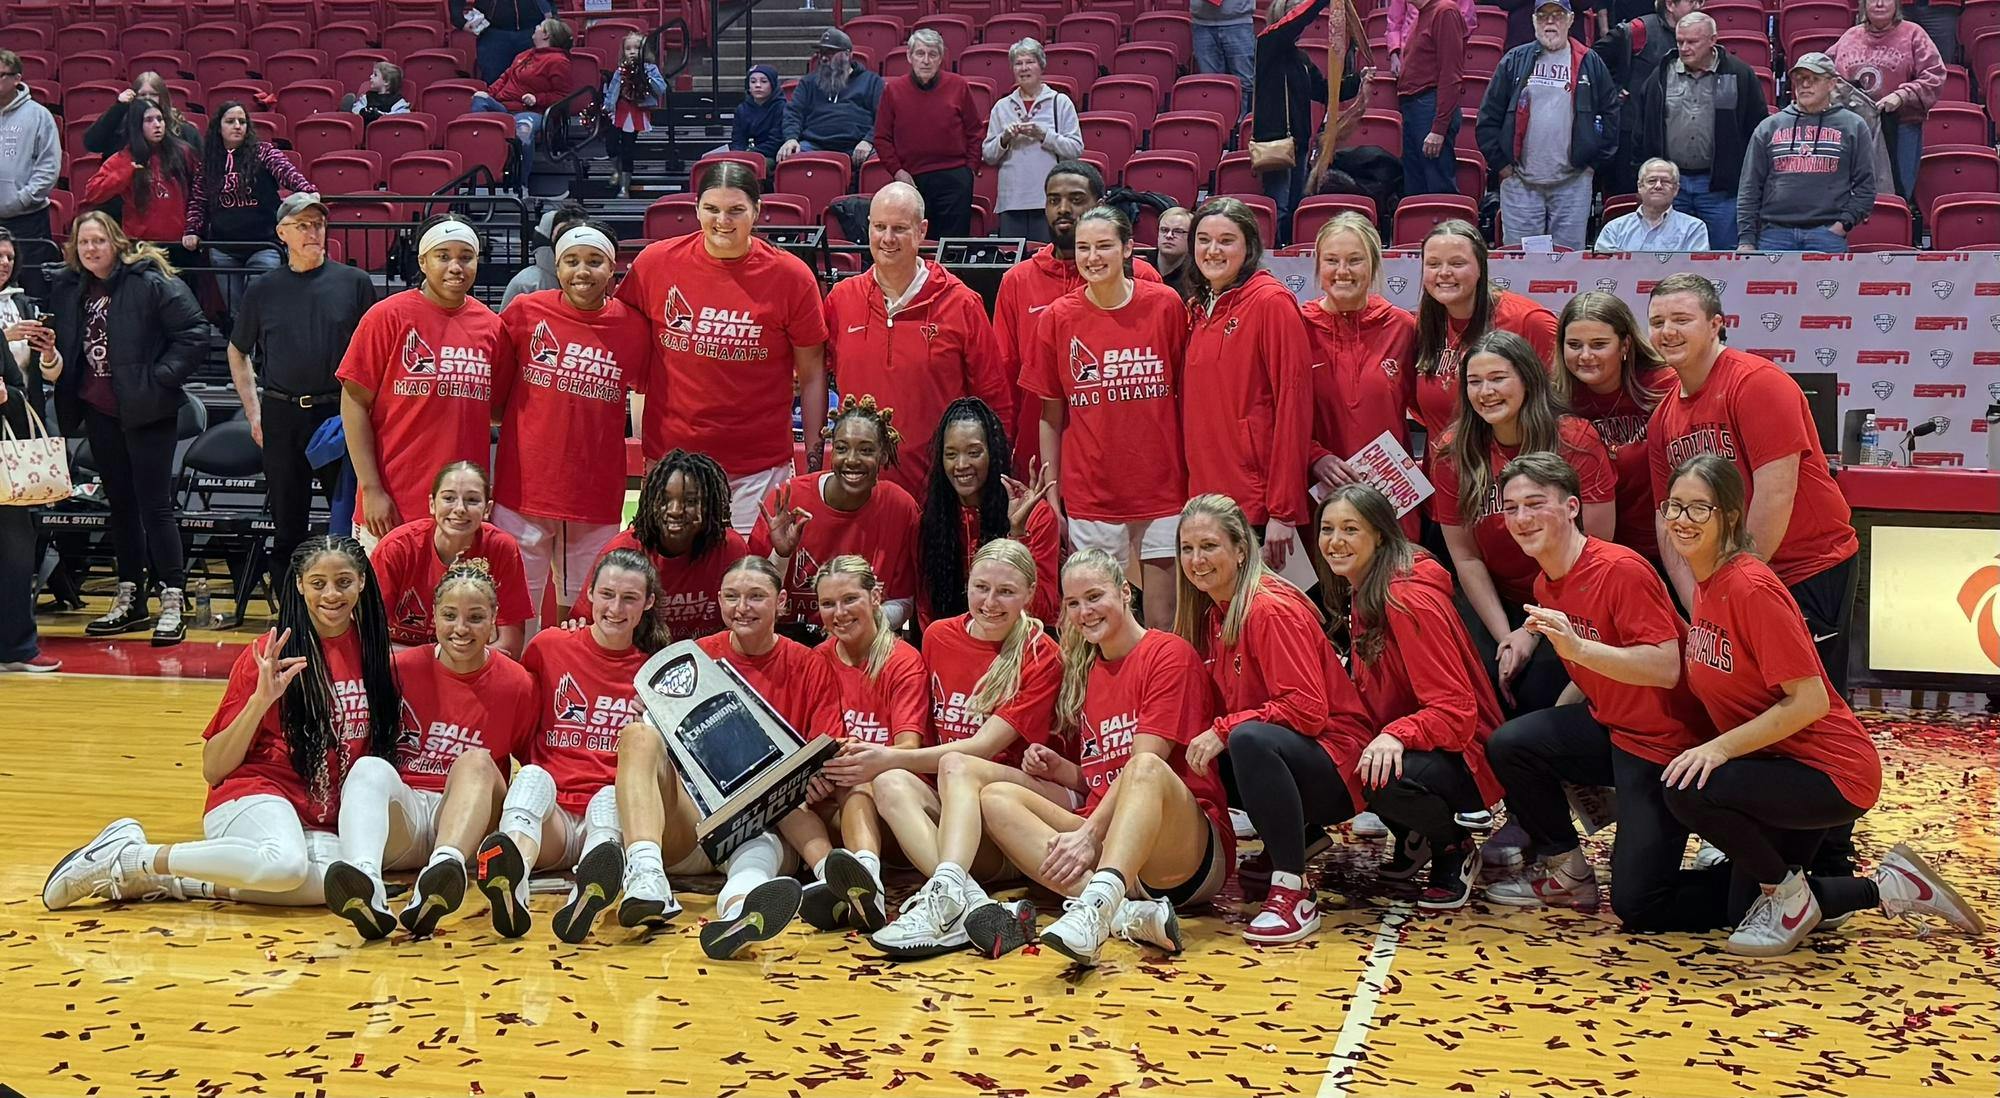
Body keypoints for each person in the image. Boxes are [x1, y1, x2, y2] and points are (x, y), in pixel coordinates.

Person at [1659, 455, 1982, 956]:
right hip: (1779, 766)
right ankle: (1892, 886)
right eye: (1675, 506)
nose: (1683, 519)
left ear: (1731, 517)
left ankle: (1787, 895)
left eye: (1700, 508)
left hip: (1830, 771)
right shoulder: (1706, 586)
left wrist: (1719, 750)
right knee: (1735, 912)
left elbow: (1808, 700)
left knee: (1689, 787)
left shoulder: (1750, 586)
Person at [41, 538, 400, 910]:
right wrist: (262, 701)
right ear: (298, 584)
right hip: (254, 795)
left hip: (314, 817)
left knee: (352, 884)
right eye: (317, 583)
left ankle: (167, 880)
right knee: (286, 867)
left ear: (361, 581)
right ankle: (135, 857)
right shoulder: (267, 654)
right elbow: (214, 768)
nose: (331, 595)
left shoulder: (374, 653)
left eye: (343, 582)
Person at [565, 555, 840, 958]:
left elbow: (824, 753)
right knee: (639, 735)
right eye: (731, 596)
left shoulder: (809, 664)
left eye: (756, 597)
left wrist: (815, 780)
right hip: (693, 821)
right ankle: (646, 875)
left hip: (770, 822)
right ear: (719, 601)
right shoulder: (691, 657)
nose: (742, 607)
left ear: (781, 602)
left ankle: (742, 912)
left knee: (757, 850)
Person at [1479, 452, 1716, 916]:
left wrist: (1579, 651)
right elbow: (1587, 673)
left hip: (1667, 747)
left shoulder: (1620, 570)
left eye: (1534, 503)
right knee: (1513, 742)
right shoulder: (1547, 583)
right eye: (1511, 508)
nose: (1522, 518)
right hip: (1614, 730)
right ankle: (1567, 871)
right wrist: (1559, 742)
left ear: (1571, 507)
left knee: (1639, 905)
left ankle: (1777, 887)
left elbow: (1666, 666)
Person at [973, 549, 1229, 964]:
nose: (1084, 612)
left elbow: (1142, 769)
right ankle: (1125, 913)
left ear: (1126, 592)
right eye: (1073, 603)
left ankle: (1094, 908)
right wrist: (1065, 772)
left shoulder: (1168, 654)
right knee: (995, 796)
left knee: (1145, 765)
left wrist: (1088, 837)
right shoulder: (1087, 669)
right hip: (1115, 844)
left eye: (1094, 597)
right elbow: (1103, 777)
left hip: (1183, 854)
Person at [824, 539, 1064, 958]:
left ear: (1029, 593)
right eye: (980, 588)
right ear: (966, 586)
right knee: (891, 783)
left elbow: (984, 748)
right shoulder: (938, 636)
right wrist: (884, 765)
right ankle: (965, 904)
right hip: (955, 814)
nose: (990, 602)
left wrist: (889, 756)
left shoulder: (1041, 654)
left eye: (1006, 591)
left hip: (1006, 811)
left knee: (951, 762)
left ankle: (951, 899)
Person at [1644, 274, 1858, 683]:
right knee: (1748, 700)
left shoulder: (1757, 383)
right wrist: (1700, 600)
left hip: (1805, 568)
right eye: (1657, 322)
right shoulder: (1663, 419)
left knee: (1809, 705)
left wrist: (1736, 587)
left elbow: (1775, 494)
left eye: (1681, 319)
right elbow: (1666, 519)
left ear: (1715, 324)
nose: (1667, 332)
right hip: (1729, 583)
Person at [1177, 495, 1373, 941]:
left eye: (1209, 546)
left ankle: (1294, 893)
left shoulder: (1269, 609)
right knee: (1192, 745)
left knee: (1245, 739)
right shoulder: (1214, 613)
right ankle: (1295, 839)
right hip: (1299, 754)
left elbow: (1306, 709)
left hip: (1341, 762)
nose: (1196, 560)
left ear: (1240, 549)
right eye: (1187, 549)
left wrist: (1224, 730)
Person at [1315, 485, 1508, 911]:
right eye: (1327, 529)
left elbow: (1455, 711)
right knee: (1341, 748)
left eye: (1351, 529)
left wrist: (1395, 735)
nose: (1335, 541)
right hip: (1429, 743)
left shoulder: (1406, 598)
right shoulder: (1365, 585)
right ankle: (1413, 836)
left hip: (1468, 755)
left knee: (1375, 771)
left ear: (1380, 535)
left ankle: (1453, 848)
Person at [321, 562, 532, 940]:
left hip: (471, 817)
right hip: (407, 815)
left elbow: (534, 770)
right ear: (433, 616)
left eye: (475, 617)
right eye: (449, 616)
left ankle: (443, 872)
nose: (461, 629)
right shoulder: (397, 670)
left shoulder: (517, 683)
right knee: (369, 766)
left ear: (495, 619)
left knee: (477, 761)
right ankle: (367, 882)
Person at [615, 161, 829, 533]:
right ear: (696, 208)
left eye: (736, 210)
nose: (722, 221)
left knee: (748, 584)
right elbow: (626, 346)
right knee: (674, 584)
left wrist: (812, 465)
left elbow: (812, 376)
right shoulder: (655, 264)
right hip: (672, 463)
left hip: (758, 468)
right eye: (711, 209)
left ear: (758, 211)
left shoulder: (791, 277)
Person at [472, 548, 663, 943]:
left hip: (613, 817)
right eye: (607, 594)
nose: (615, 608)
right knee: (533, 777)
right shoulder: (549, 646)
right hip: (552, 819)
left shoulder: (655, 670)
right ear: (589, 594)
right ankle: (514, 885)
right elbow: (519, 710)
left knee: (610, 798)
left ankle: (587, 892)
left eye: (629, 598)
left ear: (648, 603)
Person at [43, 211, 212, 644]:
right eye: (84, 243)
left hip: (148, 410)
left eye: (99, 240)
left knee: (155, 506)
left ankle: (172, 597)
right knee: (119, 507)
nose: (91, 249)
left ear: (116, 242)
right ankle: (130, 597)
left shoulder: (148, 280)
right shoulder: (69, 287)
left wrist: (160, 379)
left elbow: (195, 332)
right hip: (98, 410)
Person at [1022, 206, 1186, 631]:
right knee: (1098, 622)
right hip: (1092, 491)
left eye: (1104, 246)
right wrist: (1053, 493)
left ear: (1128, 248)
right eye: (1083, 248)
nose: (1092, 257)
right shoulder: (1059, 318)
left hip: (1162, 487)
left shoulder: (1165, 305)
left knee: (1164, 624)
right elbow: (1050, 416)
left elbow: (1188, 396)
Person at [1432, 330, 1614, 714]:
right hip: (1496, 601)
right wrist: (1507, 637)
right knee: (1478, 687)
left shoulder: (1574, 440)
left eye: (1498, 378)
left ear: (1528, 379)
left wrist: (1533, 630)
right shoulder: (1453, 451)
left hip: (1570, 601)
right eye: (1474, 382)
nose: (1486, 392)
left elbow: (1596, 554)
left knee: (1536, 695)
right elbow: (1466, 558)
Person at [494, 222, 651, 628]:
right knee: (512, 614)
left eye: (594, 261)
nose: (583, 271)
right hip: (524, 489)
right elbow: (496, 398)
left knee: (585, 618)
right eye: (572, 261)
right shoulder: (525, 312)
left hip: (593, 494)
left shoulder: (633, 327)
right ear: (558, 267)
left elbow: (646, 394)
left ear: (613, 268)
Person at [822, 183, 1015, 497]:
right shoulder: (840, 300)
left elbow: (994, 400)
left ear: (922, 230)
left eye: (899, 228)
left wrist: (995, 476)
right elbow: (813, 376)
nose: (887, 239)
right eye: (879, 227)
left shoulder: (961, 303)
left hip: (938, 491)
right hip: (860, 486)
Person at [228, 193, 377, 582]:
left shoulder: (354, 283)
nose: (313, 231)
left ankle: (355, 603)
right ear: (282, 233)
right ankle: (290, 611)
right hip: (282, 412)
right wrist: (252, 410)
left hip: (339, 412)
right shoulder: (263, 288)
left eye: (318, 224)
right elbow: (237, 350)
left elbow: (376, 353)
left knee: (348, 521)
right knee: (287, 523)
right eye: (303, 225)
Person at [338, 215, 505, 546]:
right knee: (385, 599)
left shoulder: (492, 327)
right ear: (423, 261)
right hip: (392, 503)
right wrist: (371, 487)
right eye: (443, 256)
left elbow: (497, 411)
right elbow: (354, 402)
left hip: (460, 512)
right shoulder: (386, 317)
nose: (455, 267)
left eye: (465, 257)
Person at [991, 160, 1164, 472]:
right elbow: (1005, 372)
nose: (1063, 209)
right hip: (1038, 453)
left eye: (1076, 199)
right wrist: (1004, 442)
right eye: (1054, 200)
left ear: (1098, 206)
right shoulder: (1018, 280)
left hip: (1121, 454)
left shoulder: (1142, 277)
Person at [1182, 197, 1313, 571]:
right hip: (1206, 499)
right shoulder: (1197, 307)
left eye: (1226, 240)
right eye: (1204, 239)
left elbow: (1294, 404)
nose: (1213, 250)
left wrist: (1283, 512)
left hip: (1256, 505)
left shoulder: (1272, 303)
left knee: (1269, 616)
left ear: (1249, 247)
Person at [802, 555, 930, 933]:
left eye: (849, 600)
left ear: (876, 597)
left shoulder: (903, 661)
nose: (838, 613)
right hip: (839, 806)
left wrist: (861, 760)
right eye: (827, 604)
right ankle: (833, 876)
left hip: (895, 810)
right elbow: (817, 747)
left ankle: (866, 880)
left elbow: (909, 750)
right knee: (780, 804)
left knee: (856, 770)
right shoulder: (816, 660)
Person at [751, 396, 922, 631]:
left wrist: (854, 630)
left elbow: (903, 601)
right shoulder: (789, 501)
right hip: (788, 641)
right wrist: (781, 554)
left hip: (864, 644)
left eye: (866, 450)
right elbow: (752, 599)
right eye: (842, 448)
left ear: (883, 455)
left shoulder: (901, 507)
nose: (852, 460)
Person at [1298, 214, 1419, 528]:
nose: (1342, 272)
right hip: (1321, 500)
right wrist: (1314, 456)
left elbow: (1431, 408)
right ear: (1317, 266)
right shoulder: (1296, 327)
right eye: (1331, 260)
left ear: (1374, 265)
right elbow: (1274, 413)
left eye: (1355, 260)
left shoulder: (1402, 327)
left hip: (1391, 501)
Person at [1475, 0, 1621, 250]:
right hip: (1520, 183)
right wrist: (1502, 166)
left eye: (1557, 15)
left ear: (1570, 20)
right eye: (1543, 16)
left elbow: (1611, 115)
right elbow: (1488, 118)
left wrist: (1591, 166)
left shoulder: (1589, 61)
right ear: (1533, 21)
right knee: (1521, 263)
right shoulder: (1514, 60)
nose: (1550, 22)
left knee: (1567, 266)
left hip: (1573, 184)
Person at [916, 397, 1062, 628]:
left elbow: (1041, 612)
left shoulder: (1036, 515)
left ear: (992, 454)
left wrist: (1017, 534)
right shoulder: (935, 517)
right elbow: (927, 613)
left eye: (974, 452)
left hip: (1022, 645)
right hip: (957, 644)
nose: (961, 464)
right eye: (951, 454)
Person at [571, 449, 749, 639]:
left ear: (710, 506)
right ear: (650, 501)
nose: (675, 510)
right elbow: (584, 622)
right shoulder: (623, 551)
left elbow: (753, 612)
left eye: (690, 501)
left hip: (709, 659)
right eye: (664, 499)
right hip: (638, 661)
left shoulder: (730, 549)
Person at [1411, 220, 1558, 449]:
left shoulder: (1529, 321)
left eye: (1457, 263)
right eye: (1433, 264)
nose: (1444, 273)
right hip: (1444, 473)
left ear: (1481, 267)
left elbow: (1561, 405)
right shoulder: (1426, 323)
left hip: (1514, 473)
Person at [1630, 12, 1767, 249]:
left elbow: (1756, 129)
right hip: (1671, 185)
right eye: (1680, 41)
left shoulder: (1739, 74)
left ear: (1713, 40)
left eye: (1692, 42)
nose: (1684, 48)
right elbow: (1643, 127)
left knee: (1723, 259)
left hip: (1720, 189)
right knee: (1669, 258)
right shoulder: (1661, 75)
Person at [1554, 290, 1671, 561]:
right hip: (1598, 551)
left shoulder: (1664, 387)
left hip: (1672, 544)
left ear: (1625, 345)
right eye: (1574, 345)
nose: (1585, 355)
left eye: (1598, 344)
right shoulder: (1555, 402)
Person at [371, 461, 533, 655]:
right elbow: (371, 644)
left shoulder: (501, 548)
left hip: (470, 667)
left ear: (487, 509)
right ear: (432, 504)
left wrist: (454, 663)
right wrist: (441, 658)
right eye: (449, 498)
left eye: (472, 500)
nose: (460, 509)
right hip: (404, 665)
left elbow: (510, 647)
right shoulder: (397, 548)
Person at [1736, 53, 1877, 253]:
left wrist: (1843, 225)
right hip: (1774, 234)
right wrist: (1746, 239)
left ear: (1831, 83)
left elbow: (1866, 186)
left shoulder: (1853, 126)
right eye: (1800, 79)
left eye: (1814, 79)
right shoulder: (1769, 127)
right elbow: (1749, 186)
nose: (1805, 85)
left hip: (1827, 234)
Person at [191, 101, 316, 320]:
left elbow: (287, 173)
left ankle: (264, 353)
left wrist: (307, 191)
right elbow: (198, 200)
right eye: (230, 121)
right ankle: (244, 353)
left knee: (260, 304)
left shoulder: (264, 151)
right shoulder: (208, 161)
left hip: (264, 244)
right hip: (223, 247)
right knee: (236, 311)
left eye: (242, 121)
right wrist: (192, 230)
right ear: (218, 127)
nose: (237, 126)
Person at [0, 229, 58, 672]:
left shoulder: (20, 307)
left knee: (18, 545)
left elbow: (32, 387)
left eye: (8, 256)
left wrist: (48, 354)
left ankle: (17, 647)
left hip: (11, 446)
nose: (3, 263)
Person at [1831, 0, 1945, 206]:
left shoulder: (1913, 34)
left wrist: (1902, 96)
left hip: (1901, 127)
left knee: (1894, 197)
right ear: (1864, 5)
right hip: (1853, 130)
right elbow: (1825, 75)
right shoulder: (1850, 36)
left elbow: (1935, 75)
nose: (1880, 4)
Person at [873, 29, 983, 240]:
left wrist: (969, 170)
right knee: (914, 244)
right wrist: (897, 172)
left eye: (932, 54)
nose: (926, 60)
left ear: (941, 58)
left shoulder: (958, 86)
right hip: (911, 180)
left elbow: (975, 132)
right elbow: (882, 138)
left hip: (955, 179)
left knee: (952, 249)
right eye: (920, 53)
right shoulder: (892, 91)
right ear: (909, 56)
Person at [1591, 0, 1705, 195]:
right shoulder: (1637, 31)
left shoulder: (1702, 36)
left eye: (1701, 1)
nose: (1699, 6)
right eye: (1692, 1)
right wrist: (1612, 89)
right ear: (1670, 4)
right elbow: (1592, 61)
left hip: (1675, 136)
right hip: (1631, 137)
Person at [982, 39, 1083, 243]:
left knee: (1046, 258)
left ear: (1041, 66)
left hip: (1049, 199)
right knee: (1014, 264)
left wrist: (1043, 135)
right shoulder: (1002, 107)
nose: (1024, 68)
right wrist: (1004, 138)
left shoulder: (1059, 102)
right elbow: (988, 155)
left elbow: (1075, 148)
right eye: (1018, 63)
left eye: (1030, 62)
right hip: (1011, 200)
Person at [1252, 0, 1333, 239]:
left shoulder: (1301, 59)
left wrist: (1359, 81)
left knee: (1297, 206)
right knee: (1281, 208)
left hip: (1299, 143)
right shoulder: (1266, 45)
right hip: (1277, 143)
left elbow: (1322, 91)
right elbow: (1294, 22)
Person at [80, 99, 201, 251]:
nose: (157, 125)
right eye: (149, 120)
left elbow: (200, 193)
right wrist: (125, 173)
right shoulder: (123, 159)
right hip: (141, 247)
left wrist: (193, 228)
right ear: (137, 126)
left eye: (160, 119)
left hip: (181, 244)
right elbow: (93, 193)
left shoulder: (184, 152)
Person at [469, 17, 575, 187]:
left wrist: (537, 99)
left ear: (547, 35)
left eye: (540, 26)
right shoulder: (523, 55)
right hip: (504, 107)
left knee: (523, 130)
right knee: (480, 98)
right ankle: (480, 170)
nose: (536, 27)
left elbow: (563, 96)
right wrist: (489, 93)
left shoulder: (559, 61)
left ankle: (520, 185)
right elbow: (504, 78)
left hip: (532, 112)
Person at [777, 28, 885, 167]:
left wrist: (869, 141)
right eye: (821, 53)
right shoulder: (809, 82)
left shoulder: (871, 81)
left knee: (880, 162)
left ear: (847, 54)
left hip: (857, 145)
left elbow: (883, 116)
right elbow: (793, 112)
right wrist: (791, 138)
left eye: (830, 53)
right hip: (814, 144)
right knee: (788, 159)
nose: (823, 58)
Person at [0, 51, 60, 297]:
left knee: (32, 290)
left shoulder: (38, 116)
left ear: (17, 79)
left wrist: (22, 199)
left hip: (28, 220)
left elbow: (49, 168)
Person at [1396, 0, 1470, 196]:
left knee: (1437, 189)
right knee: (1416, 189)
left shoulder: (1444, 12)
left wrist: (1439, 127)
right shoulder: (1424, 14)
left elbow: (1451, 74)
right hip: (1415, 107)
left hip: (1429, 107)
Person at [1593, 157, 1709, 250]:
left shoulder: (1694, 228)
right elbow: (1604, 271)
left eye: (1665, 181)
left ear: (1676, 189)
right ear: (1640, 186)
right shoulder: (1614, 229)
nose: (1658, 186)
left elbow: (1696, 275)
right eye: (1652, 181)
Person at [602, 32, 667, 196]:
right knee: (610, 144)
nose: (632, 51)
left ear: (644, 51)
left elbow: (661, 89)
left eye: (637, 48)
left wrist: (646, 78)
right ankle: (616, 171)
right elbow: (611, 92)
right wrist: (607, 107)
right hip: (619, 112)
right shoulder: (620, 71)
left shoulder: (650, 69)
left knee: (627, 148)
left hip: (636, 112)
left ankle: (625, 187)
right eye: (628, 48)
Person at [82, 73, 201, 157]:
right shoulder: (120, 129)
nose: (148, 99)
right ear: (134, 98)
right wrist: (118, 108)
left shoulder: (184, 131)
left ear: (163, 98)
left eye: (153, 95)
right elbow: (92, 143)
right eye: (143, 95)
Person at [500, 201, 589, 309]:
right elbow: (507, 324)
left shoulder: (591, 278)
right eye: (561, 235)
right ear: (544, 239)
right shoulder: (525, 284)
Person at [451, 0, 555, 85]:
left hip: (533, 31)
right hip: (493, 34)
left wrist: (553, 16)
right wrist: (459, 21)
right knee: (494, 84)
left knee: (535, 84)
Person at [1192, 0, 1257, 119]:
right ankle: (1215, 128)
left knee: (1246, 83)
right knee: (1209, 85)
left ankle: (1245, 129)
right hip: (1202, 23)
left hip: (1238, 22)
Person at [1387, 0, 1479, 74]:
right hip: (1409, 60)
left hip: (1441, 58)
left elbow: (1466, 19)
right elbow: (1394, 23)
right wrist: (1394, 54)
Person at [728, 65, 786, 163]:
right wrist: (738, 153)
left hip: (771, 156)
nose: (758, 85)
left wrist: (749, 153)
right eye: (753, 81)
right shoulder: (741, 109)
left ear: (773, 84)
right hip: (745, 154)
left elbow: (776, 142)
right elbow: (738, 139)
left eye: (764, 81)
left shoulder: (781, 107)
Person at [344, 61, 411, 123]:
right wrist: (362, 111)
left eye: (375, 75)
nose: (370, 76)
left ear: (386, 82)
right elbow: (356, 108)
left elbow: (402, 115)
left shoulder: (397, 101)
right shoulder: (367, 97)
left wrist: (380, 114)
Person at [1153, 206, 1193, 290]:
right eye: (1164, 230)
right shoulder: (1141, 266)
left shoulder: (1195, 275)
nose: (1169, 236)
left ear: (1191, 237)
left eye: (1178, 231)